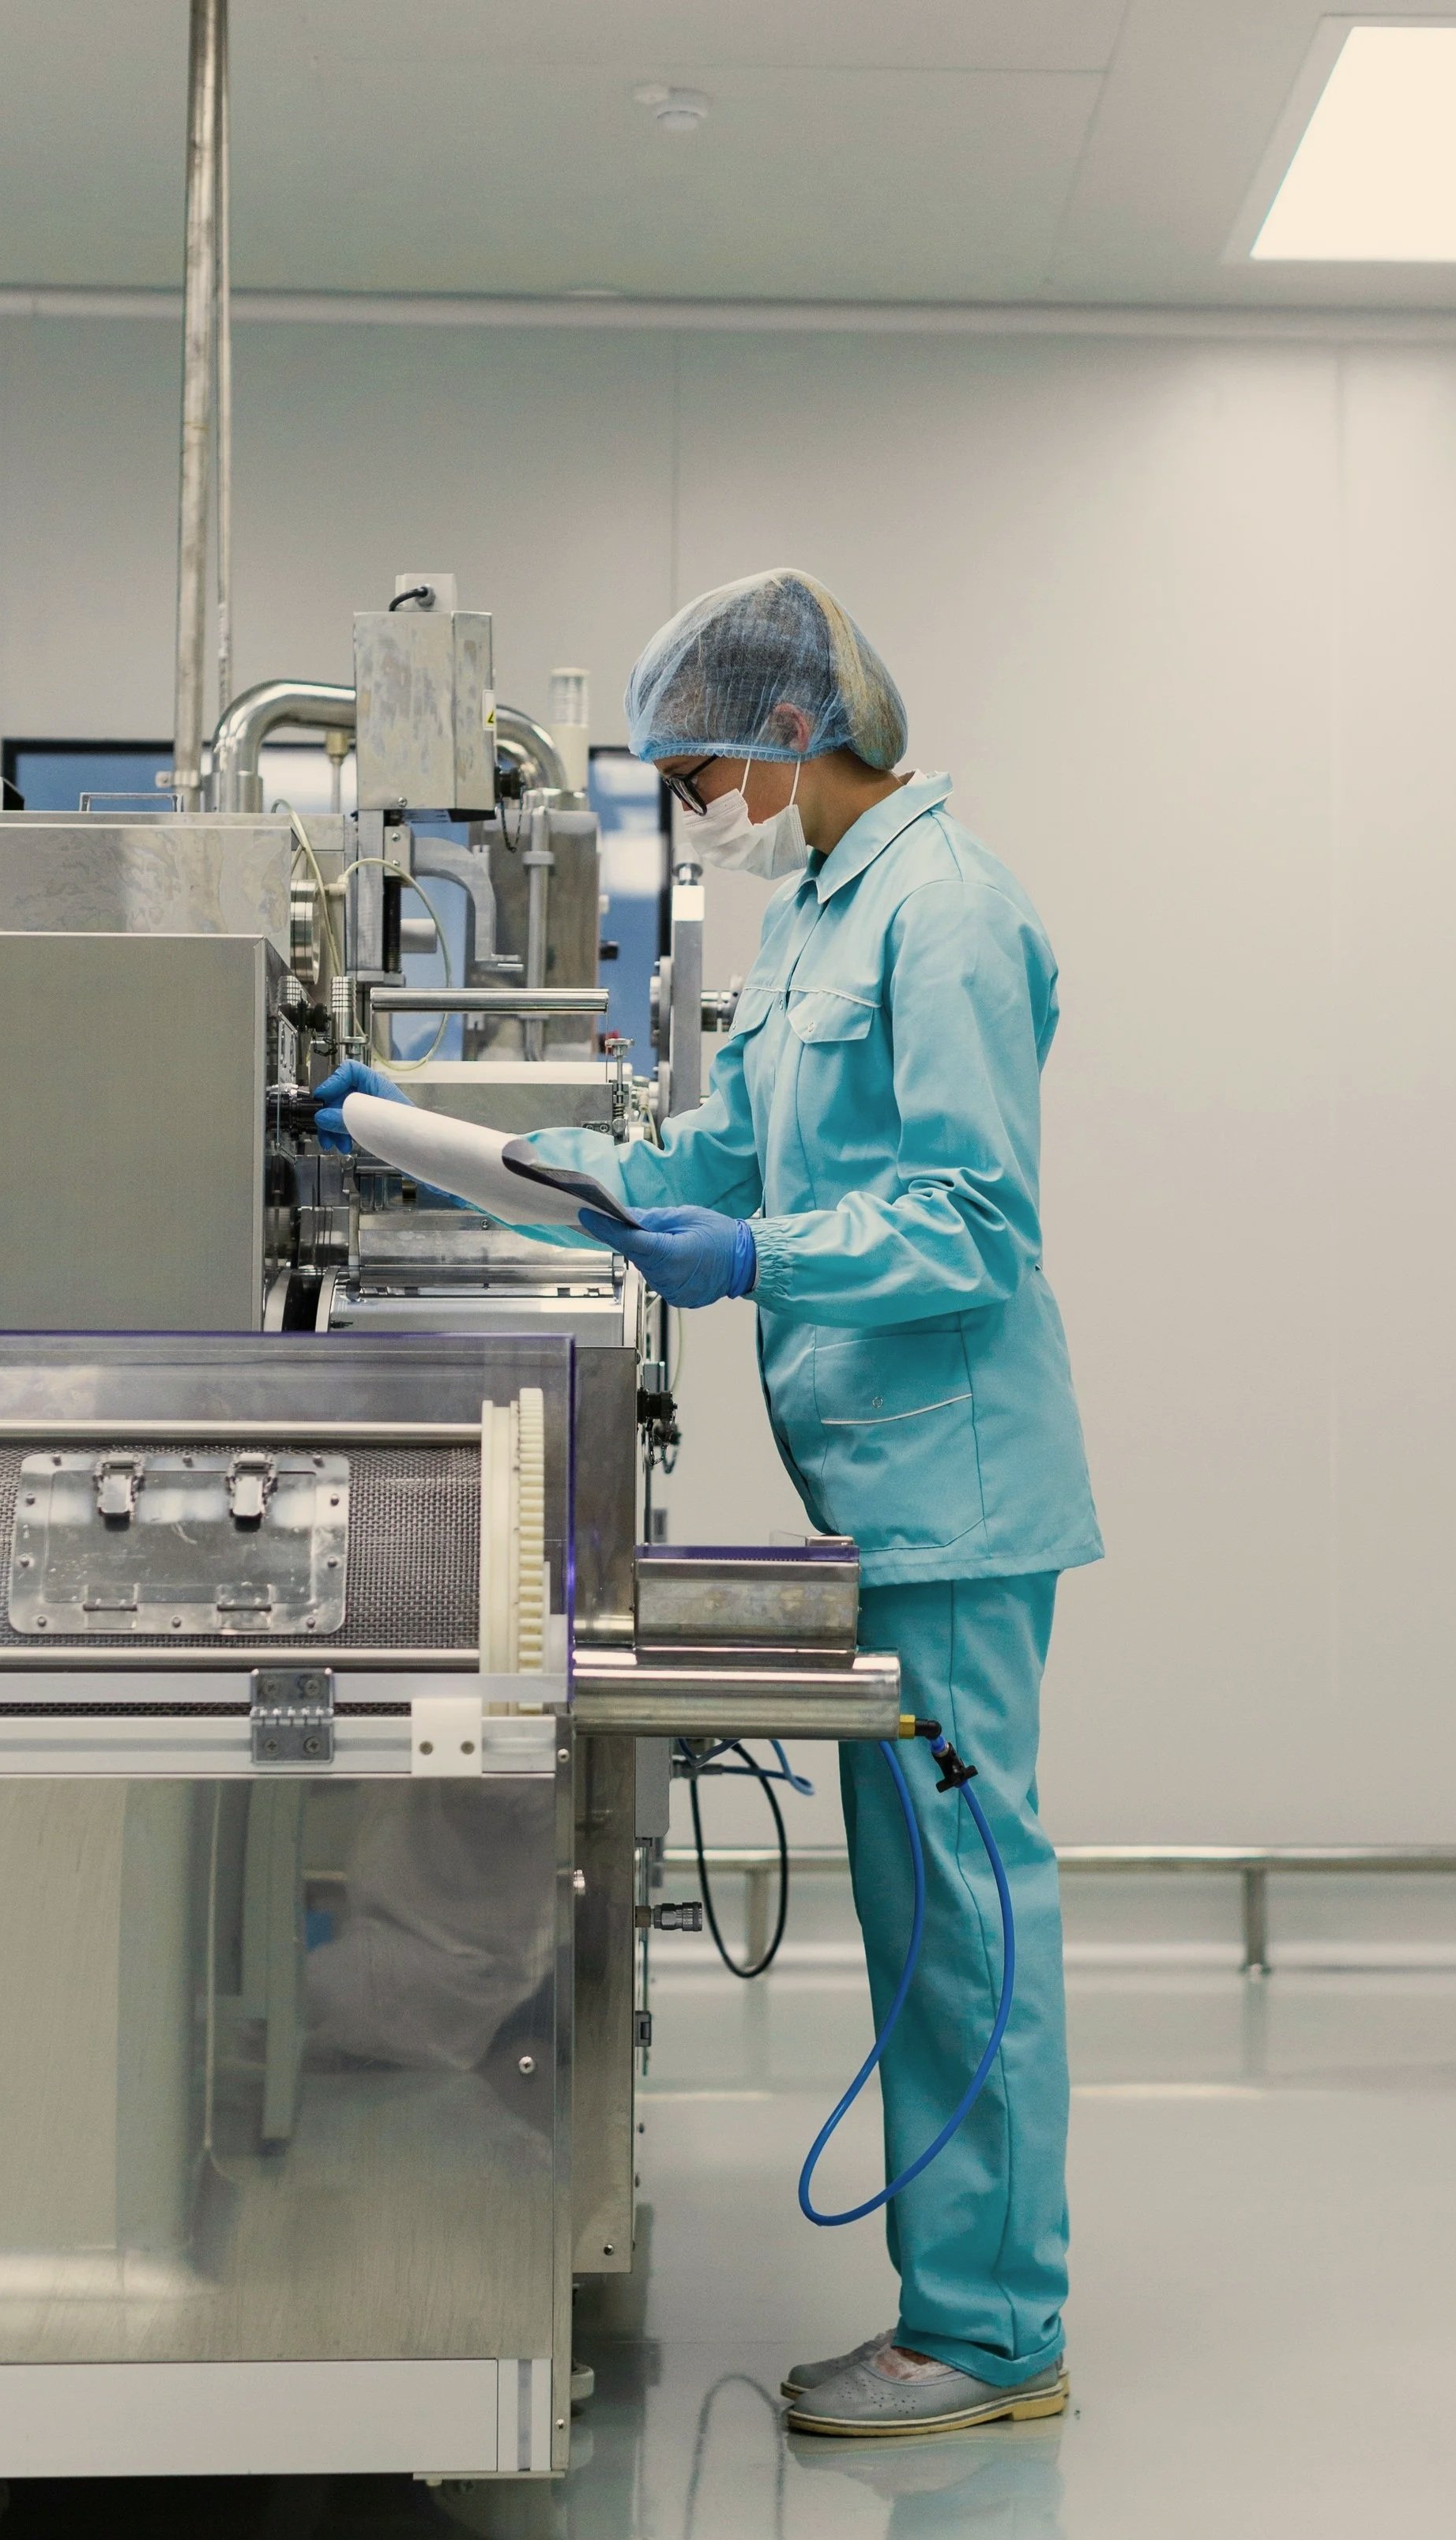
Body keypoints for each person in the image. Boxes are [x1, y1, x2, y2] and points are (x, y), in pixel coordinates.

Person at [319, 567, 1100, 2437]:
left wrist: (747, 1255)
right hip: (880, 1487)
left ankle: (993, 2336)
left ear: (786, 736)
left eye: (692, 775)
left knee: (965, 1915)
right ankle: (972, 2309)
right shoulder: (831, 915)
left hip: (960, 1499)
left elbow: (977, 1222)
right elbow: (691, 1157)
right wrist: (440, 1147)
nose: (691, 811)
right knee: (928, 1907)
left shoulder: (947, 911)